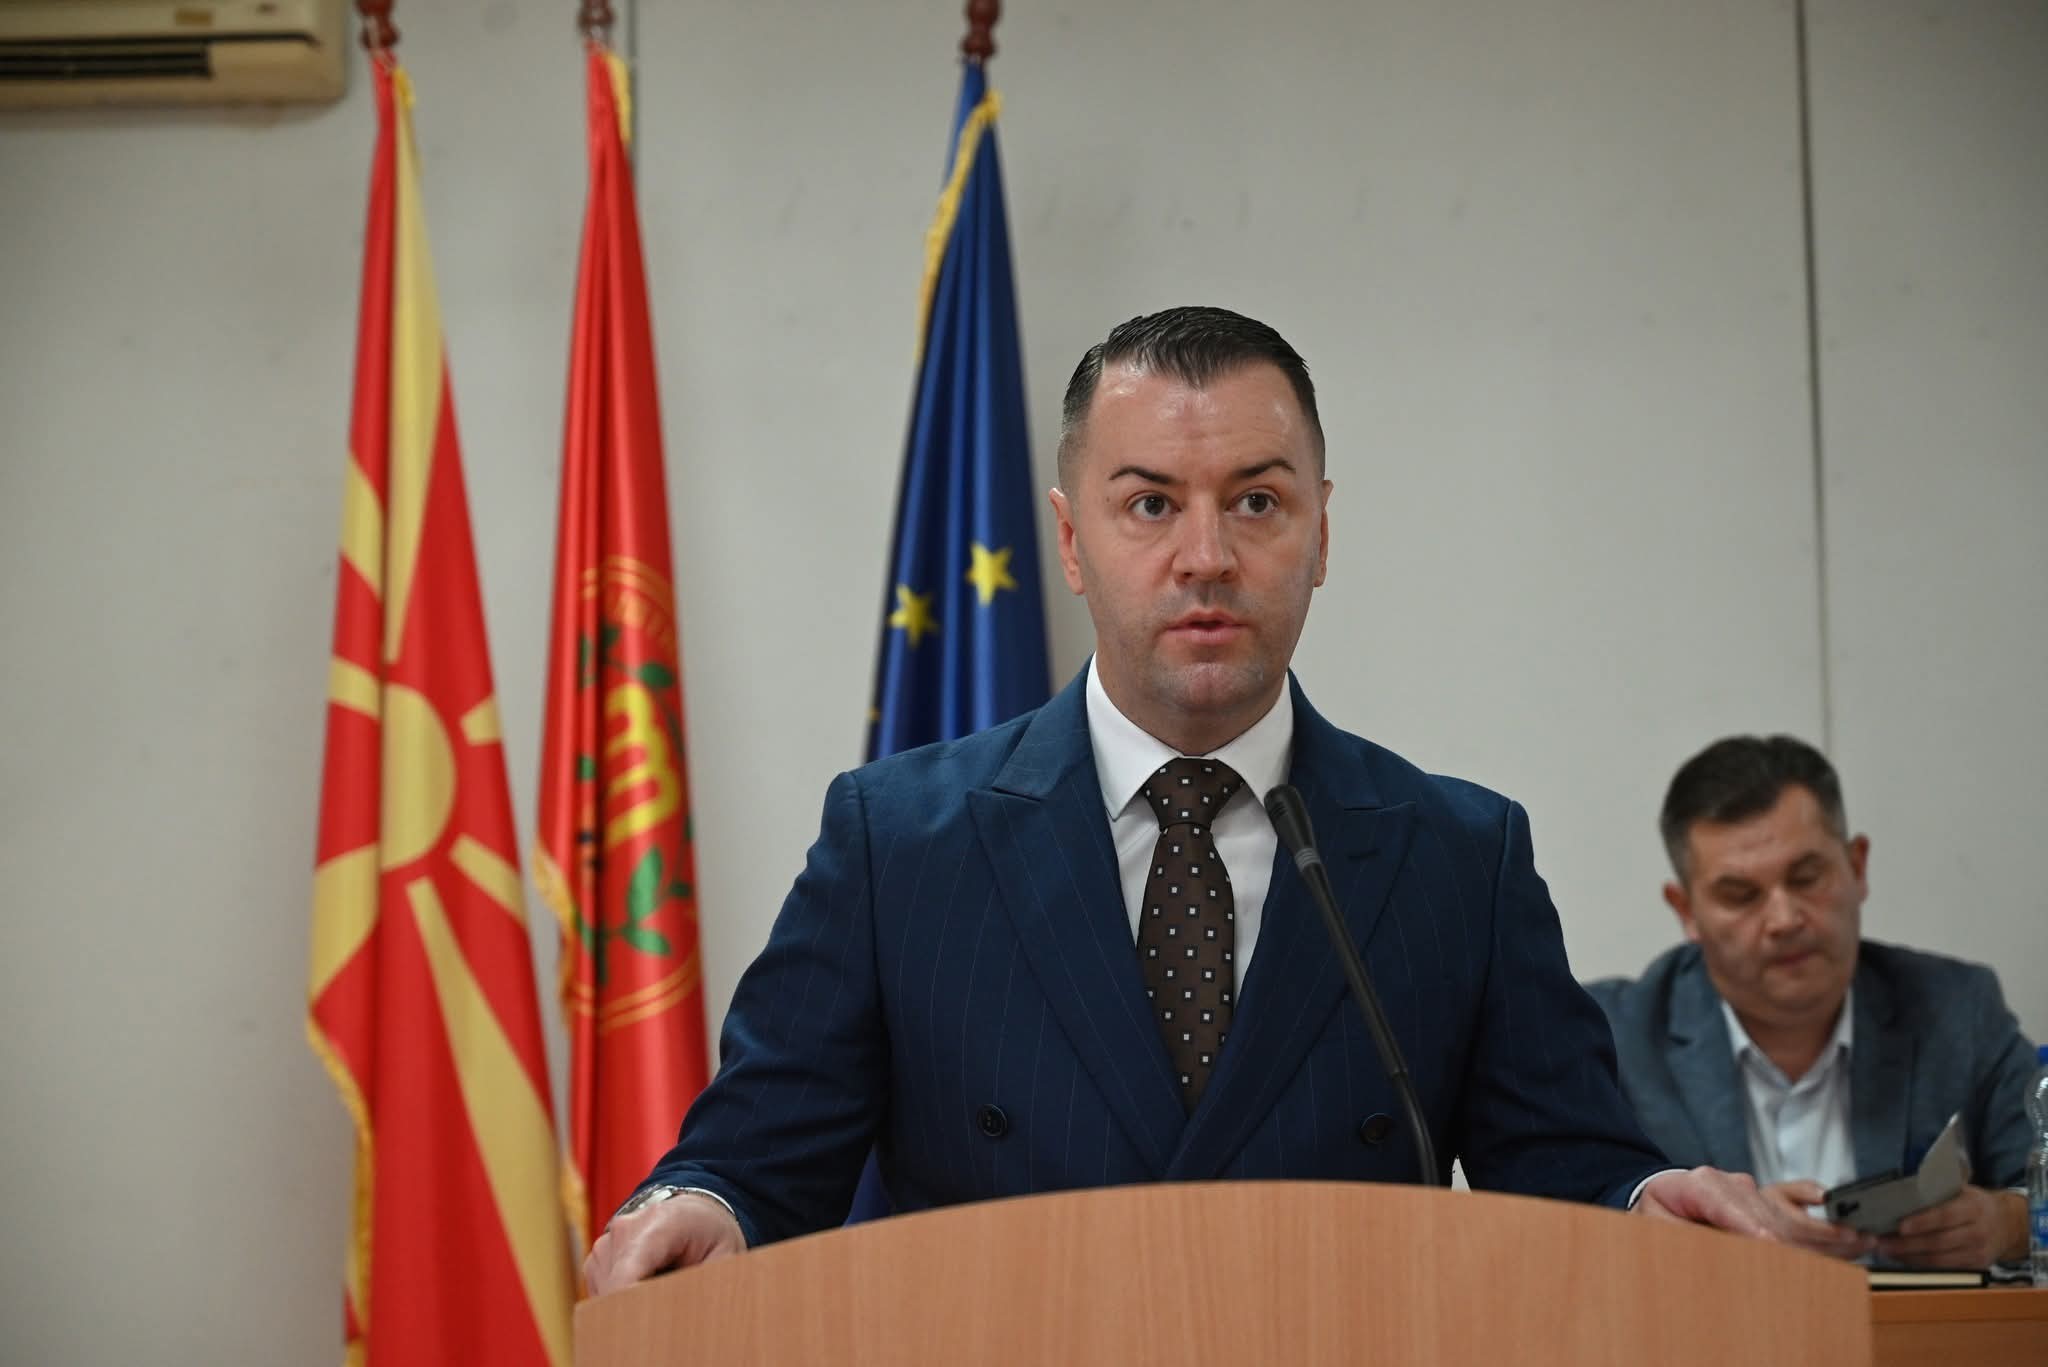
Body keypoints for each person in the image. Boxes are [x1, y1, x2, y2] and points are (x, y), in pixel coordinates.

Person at [587, 307, 1793, 1291]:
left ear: (1321, 531)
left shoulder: (1455, 854)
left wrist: (1644, 1199)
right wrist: (705, 1205)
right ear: (1071, 540)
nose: (1207, 554)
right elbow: (758, 1159)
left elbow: (1569, 1170)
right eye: (1151, 503)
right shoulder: (899, 841)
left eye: (1256, 501)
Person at [1587, 735, 2037, 1268]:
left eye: (1806, 878)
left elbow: (2037, 1179)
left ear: (1857, 866)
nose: (1784, 920)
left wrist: (2009, 1225)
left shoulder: (1957, 1010)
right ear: (1685, 909)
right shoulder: (1610, 1036)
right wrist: (1717, 1235)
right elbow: (1559, 1229)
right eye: (1740, 896)